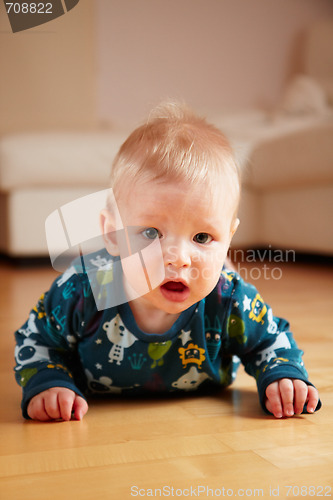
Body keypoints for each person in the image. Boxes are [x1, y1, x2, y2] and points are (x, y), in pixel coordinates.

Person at [14, 102, 320, 421]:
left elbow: (271, 342)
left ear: (230, 238)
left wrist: (284, 376)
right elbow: (37, 340)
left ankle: (219, 261)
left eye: (202, 237)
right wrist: (47, 382)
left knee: (223, 281)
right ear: (113, 235)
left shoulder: (230, 300)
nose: (179, 259)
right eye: (151, 232)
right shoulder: (82, 289)